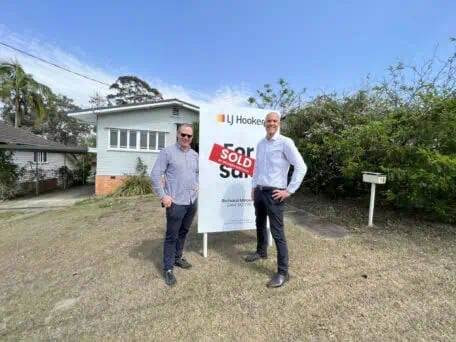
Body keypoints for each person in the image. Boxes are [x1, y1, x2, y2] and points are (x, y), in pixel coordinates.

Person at [246, 112, 307, 288]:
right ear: (264, 123)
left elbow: (301, 167)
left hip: (274, 193)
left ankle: (282, 272)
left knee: (277, 231)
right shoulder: (260, 144)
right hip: (259, 190)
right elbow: (257, 168)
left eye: (274, 121)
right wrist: (253, 187)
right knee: (259, 223)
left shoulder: (285, 143)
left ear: (279, 123)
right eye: (268, 121)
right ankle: (261, 251)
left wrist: (289, 190)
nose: (271, 123)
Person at [151, 124, 199, 286]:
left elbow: (197, 173)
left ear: (192, 138)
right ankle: (168, 268)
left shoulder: (194, 155)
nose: (186, 138)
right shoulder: (168, 152)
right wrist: (163, 196)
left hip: (191, 201)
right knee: (172, 236)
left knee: (184, 232)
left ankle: (178, 258)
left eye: (189, 136)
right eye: (183, 134)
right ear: (177, 135)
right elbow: (155, 174)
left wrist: (198, 185)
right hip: (175, 202)